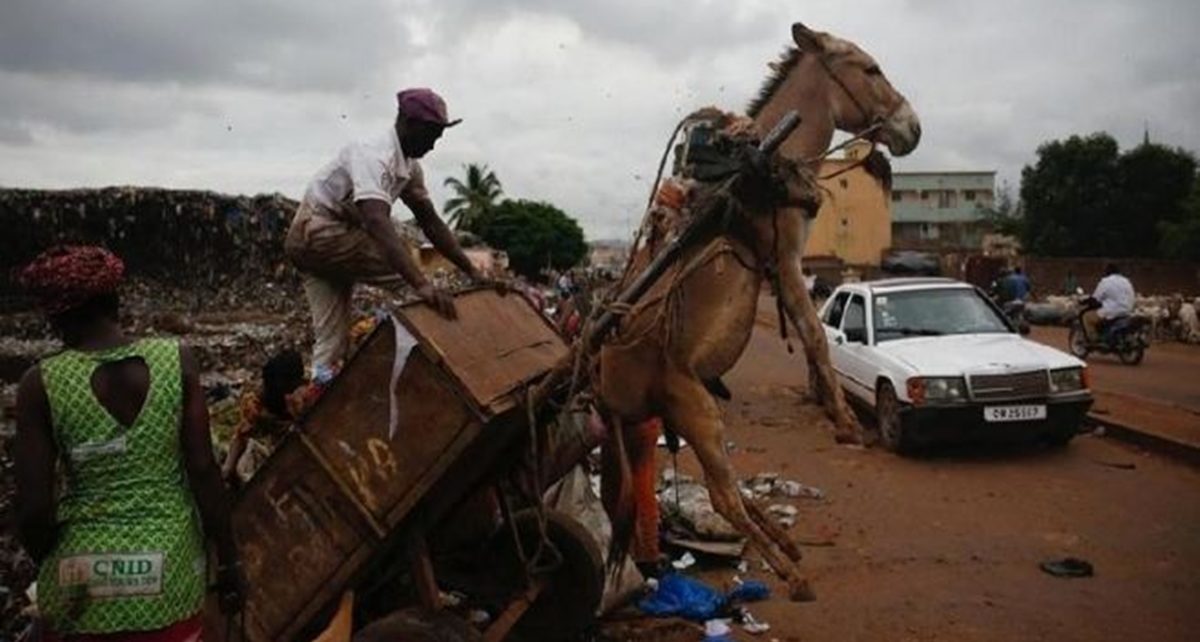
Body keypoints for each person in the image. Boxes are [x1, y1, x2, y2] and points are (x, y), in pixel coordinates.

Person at [14, 246, 242, 640]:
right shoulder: (177, 359)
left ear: (55, 316)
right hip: (170, 571)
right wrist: (229, 562)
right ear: (114, 300)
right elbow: (204, 470)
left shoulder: (41, 383)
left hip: (80, 580)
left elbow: (34, 508)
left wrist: (57, 561)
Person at [285, 87, 484, 378]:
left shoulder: (410, 168)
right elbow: (377, 221)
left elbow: (431, 222)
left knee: (331, 342)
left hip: (320, 245)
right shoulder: (374, 154)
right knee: (413, 280)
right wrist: (420, 283)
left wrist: (471, 269)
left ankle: (321, 393)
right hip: (319, 232)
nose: (434, 144)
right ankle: (436, 367)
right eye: (431, 135)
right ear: (408, 123)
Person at [1084, 263, 1136, 343]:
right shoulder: (1126, 281)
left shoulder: (1105, 281)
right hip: (1127, 311)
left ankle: (1094, 340)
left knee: (1087, 317)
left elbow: (1095, 297)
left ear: (1107, 272)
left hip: (1112, 311)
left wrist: (1086, 301)